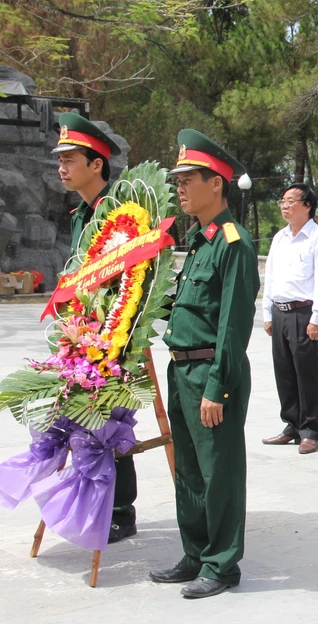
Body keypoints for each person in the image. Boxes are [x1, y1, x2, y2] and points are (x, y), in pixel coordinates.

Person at [149, 129, 260, 599]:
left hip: (212, 374)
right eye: (178, 179)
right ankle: (195, 554)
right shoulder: (198, 241)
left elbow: (234, 325)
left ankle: (221, 564)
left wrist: (218, 386)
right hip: (182, 370)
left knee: (220, 473)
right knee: (191, 472)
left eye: (188, 178)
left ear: (217, 183)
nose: (180, 187)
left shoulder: (232, 243)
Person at [52, 112, 137, 545]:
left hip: (115, 337)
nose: (62, 168)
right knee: (82, 419)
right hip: (82, 335)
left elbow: (131, 277)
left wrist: (112, 333)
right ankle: (93, 496)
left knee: (110, 420)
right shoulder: (78, 215)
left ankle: (120, 508)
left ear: (96, 164)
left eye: (70, 159)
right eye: (60, 160)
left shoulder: (120, 215)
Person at [261, 183, 318, 454]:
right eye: (282, 200)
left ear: (307, 206)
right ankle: (291, 424)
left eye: (291, 201)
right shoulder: (280, 238)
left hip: (304, 313)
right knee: (284, 371)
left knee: (306, 373)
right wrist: (267, 313)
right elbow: (270, 277)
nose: (284, 205)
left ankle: (310, 430)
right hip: (279, 312)